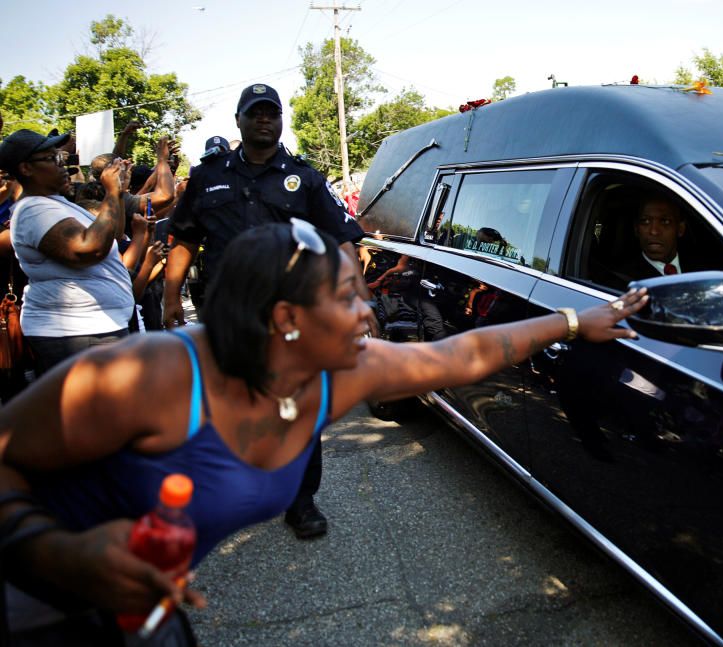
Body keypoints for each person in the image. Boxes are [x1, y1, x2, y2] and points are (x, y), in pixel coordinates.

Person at [0, 220, 647, 641]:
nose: (370, 311)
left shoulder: (343, 374)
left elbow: (464, 355)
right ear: (285, 318)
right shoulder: (148, 374)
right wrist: (52, 550)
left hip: (143, 615)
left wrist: (572, 321)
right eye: (348, 297)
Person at [162, 83, 366, 540]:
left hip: (291, 316)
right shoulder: (207, 175)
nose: (263, 120)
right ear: (238, 120)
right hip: (227, 313)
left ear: (280, 120)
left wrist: (355, 298)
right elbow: (185, 238)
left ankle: (300, 500)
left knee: (299, 404)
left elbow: (343, 239)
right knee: (224, 401)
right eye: (254, 113)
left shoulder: (305, 178)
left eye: (271, 112)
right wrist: (170, 296)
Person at [0, 129, 134, 375]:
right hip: (77, 333)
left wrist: (118, 194)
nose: (62, 165)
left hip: (91, 330)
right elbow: (89, 249)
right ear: (26, 169)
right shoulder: (34, 210)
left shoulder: (53, 204)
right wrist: (112, 193)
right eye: (52, 159)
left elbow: (110, 235)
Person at [620, 194, 687, 279]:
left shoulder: (702, 270)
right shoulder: (623, 280)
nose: (654, 231)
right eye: (645, 221)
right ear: (636, 229)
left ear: (680, 229)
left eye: (665, 221)